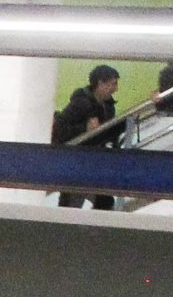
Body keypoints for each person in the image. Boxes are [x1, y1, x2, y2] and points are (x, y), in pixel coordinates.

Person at [53, 64, 124, 208]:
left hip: (92, 165)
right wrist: (84, 129)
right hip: (76, 164)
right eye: (113, 84)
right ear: (100, 83)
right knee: (73, 204)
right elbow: (59, 130)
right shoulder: (80, 104)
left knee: (103, 202)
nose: (116, 89)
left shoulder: (108, 106)